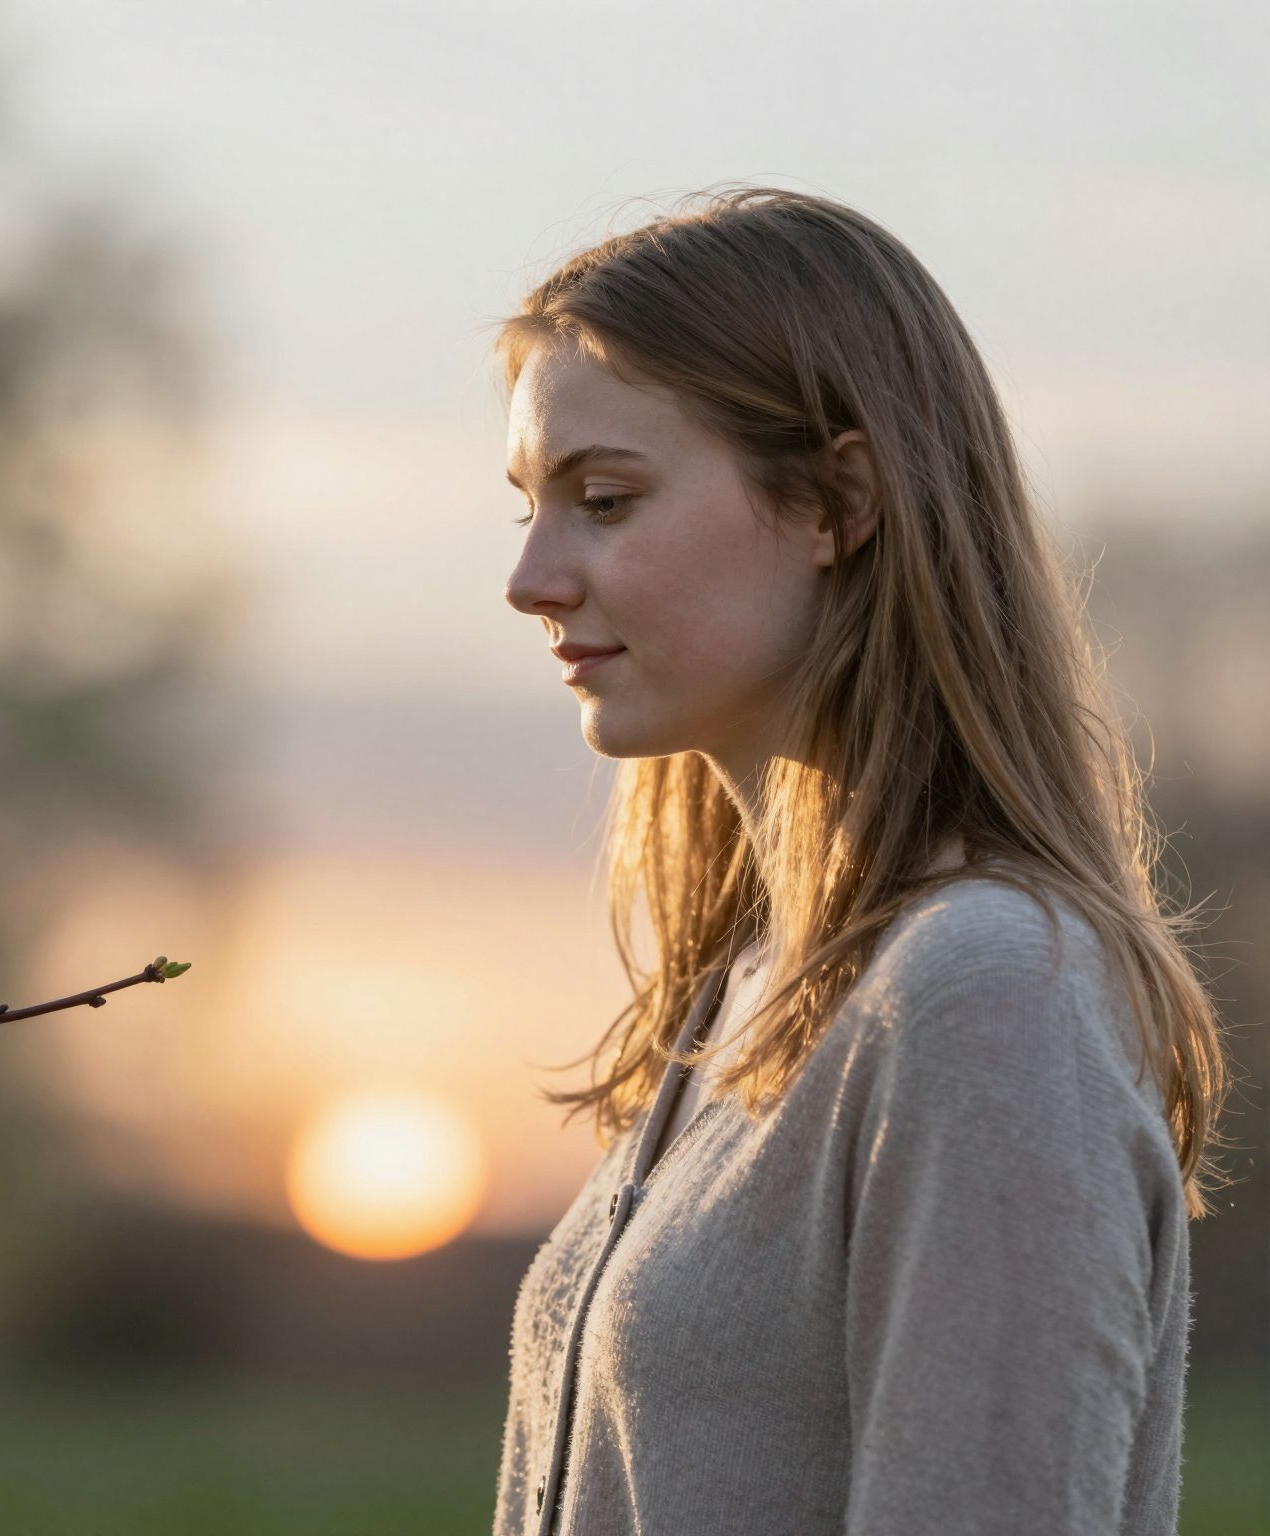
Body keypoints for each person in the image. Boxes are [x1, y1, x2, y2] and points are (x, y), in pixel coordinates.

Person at [489, 185, 1231, 1536]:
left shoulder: (987, 994)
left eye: (604, 499)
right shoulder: (741, 993)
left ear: (837, 500)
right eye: (531, 503)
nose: (532, 576)